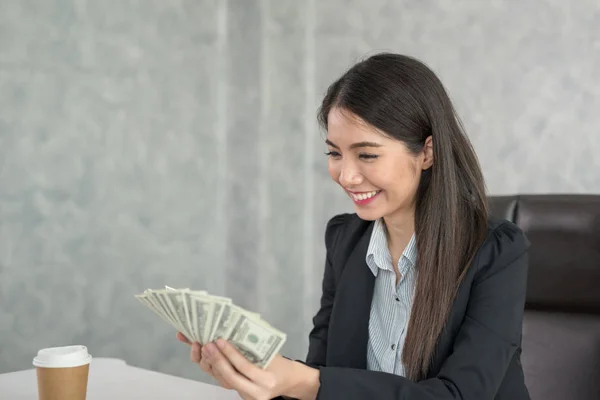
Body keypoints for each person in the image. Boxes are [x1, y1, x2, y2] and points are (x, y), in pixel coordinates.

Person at [177, 53, 531, 400]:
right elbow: (324, 376)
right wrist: (260, 381)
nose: (346, 175)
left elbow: (460, 395)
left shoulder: (496, 251)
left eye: (367, 155)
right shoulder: (345, 241)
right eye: (334, 153)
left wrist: (304, 383)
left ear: (427, 152)